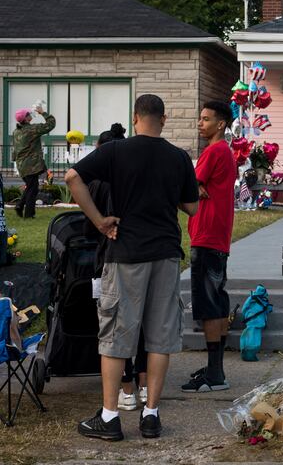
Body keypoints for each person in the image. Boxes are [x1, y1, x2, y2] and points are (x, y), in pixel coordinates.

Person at [66, 94, 198, 441]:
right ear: (164, 120)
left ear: (135, 117)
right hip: (166, 253)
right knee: (159, 336)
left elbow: (72, 178)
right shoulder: (178, 157)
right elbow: (193, 208)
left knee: (116, 335)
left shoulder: (116, 151)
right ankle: (151, 414)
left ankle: (110, 417)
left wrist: (99, 221)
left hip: (126, 252)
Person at [83, 123, 150, 411]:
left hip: (109, 258)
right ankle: (146, 387)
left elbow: (88, 229)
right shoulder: (136, 178)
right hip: (144, 253)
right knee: (145, 326)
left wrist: (100, 222)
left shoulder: (97, 185)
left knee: (115, 328)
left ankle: (126, 390)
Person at [181, 101, 236, 393]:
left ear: (221, 124)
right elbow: (195, 187)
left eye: (205, 119)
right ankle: (215, 368)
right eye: (199, 118)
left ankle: (215, 375)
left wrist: (192, 188)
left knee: (210, 304)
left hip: (207, 236)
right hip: (216, 236)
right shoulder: (224, 152)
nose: (200, 123)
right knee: (216, 300)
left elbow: (188, 187)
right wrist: (195, 188)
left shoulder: (214, 151)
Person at [12, 102, 56, 218]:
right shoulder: (32, 129)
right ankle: (28, 214)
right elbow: (51, 124)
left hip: (21, 165)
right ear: (25, 119)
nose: (30, 114)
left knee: (31, 186)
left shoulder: (16, 132)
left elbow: (15, 149)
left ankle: (20, 206)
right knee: (33, 189)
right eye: (28, 114)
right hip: (31, 165)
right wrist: (43, 113)